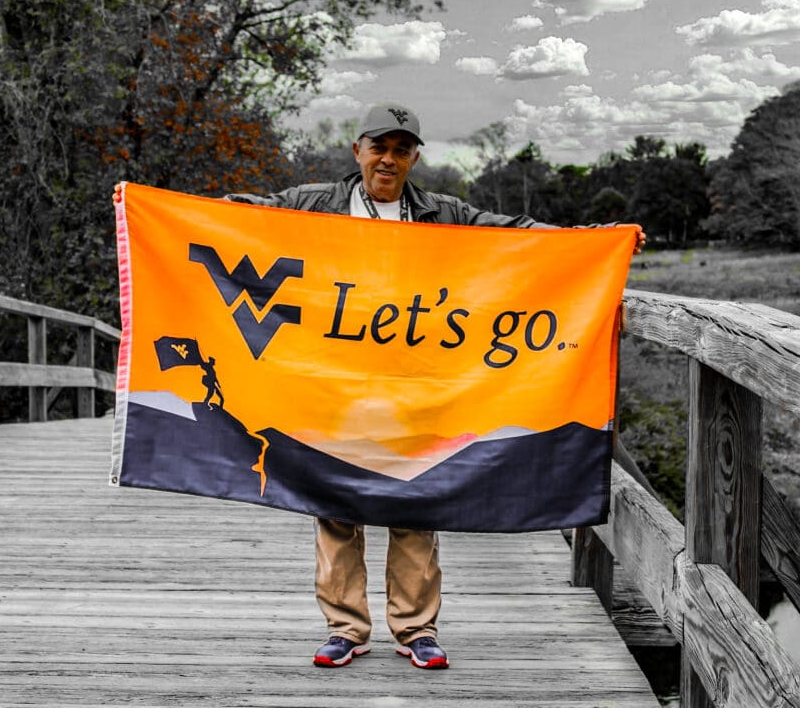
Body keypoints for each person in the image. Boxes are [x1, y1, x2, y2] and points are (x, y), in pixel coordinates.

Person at [114, 102, 645, 671]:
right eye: (379, 147)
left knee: (416, 500)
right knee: (333, 502)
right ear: (358, 151)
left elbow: (514, 235)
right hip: (327, 380)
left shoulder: (441, 213)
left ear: (414, 156)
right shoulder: (311, 204)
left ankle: (416, 629)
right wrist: (150, 207)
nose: (388, 159)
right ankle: (345, 627)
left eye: (401, 149)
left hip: (415, 383)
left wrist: (600, 240)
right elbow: (241, 218)